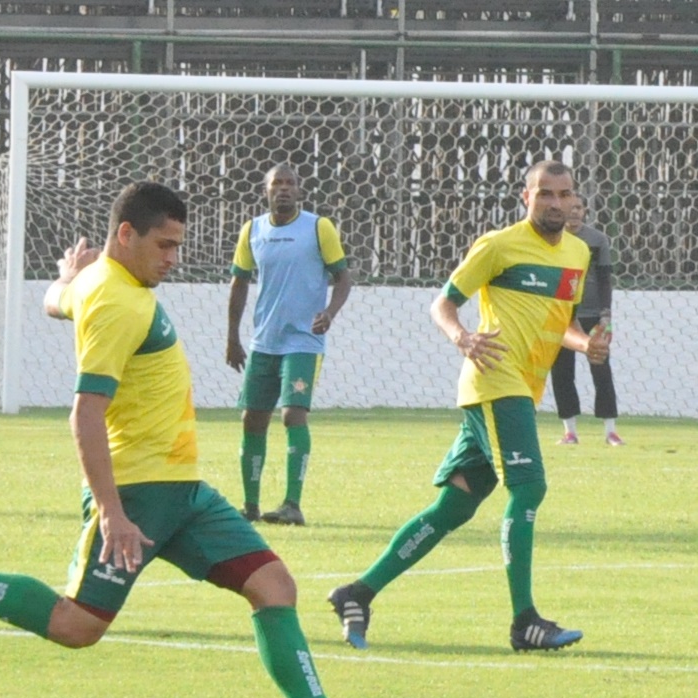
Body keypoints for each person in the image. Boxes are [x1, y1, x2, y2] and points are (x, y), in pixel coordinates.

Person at [0, 181, 412, 698]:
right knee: (76, 626)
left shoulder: (101, 280)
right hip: (137, 494)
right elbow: (85, 413)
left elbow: (55, 300)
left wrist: (69, 276)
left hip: (183, 491)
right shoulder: (115, 303)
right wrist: (112, 512)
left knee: (274, 586)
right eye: (164, 245)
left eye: (178, 246)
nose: (173, 259)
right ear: (125, 234)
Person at [327, 160, 611, 652]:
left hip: (522, 388)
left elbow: (562, 322)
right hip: (496, 380)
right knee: (529, 487)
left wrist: (586, 345)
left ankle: (358, 593)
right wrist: (461, 336)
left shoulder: (578, 252)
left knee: (453, 507)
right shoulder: (497, 245)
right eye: (545, 193)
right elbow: (443, 303)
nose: (557, 203)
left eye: (565, 194)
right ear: (526, 197)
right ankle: (525, 622)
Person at [226, 163, 353, 527]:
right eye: (276, 183)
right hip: (264, 342)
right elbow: (239, 283)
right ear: (265, 191)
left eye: (290, 183)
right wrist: (232, 337)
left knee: (292, 414)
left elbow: (343, 277)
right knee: (252, 418)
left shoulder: (318, 227)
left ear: (299, 191)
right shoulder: (252, 230)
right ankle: (250, 506)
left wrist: (329, 312)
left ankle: (292, 504)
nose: (283, 188)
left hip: (303, 341)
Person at [550, 195, 623, 445]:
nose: (574, 213)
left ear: (584, 211)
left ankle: (610, 431)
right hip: (562, 315)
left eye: (578, 208)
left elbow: (604, 279)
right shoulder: (553, 238)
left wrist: (606, 315)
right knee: (562, 372)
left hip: (592, 314)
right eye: (570, 208)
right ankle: (570, 432)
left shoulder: (597, 240)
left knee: (601, 370)